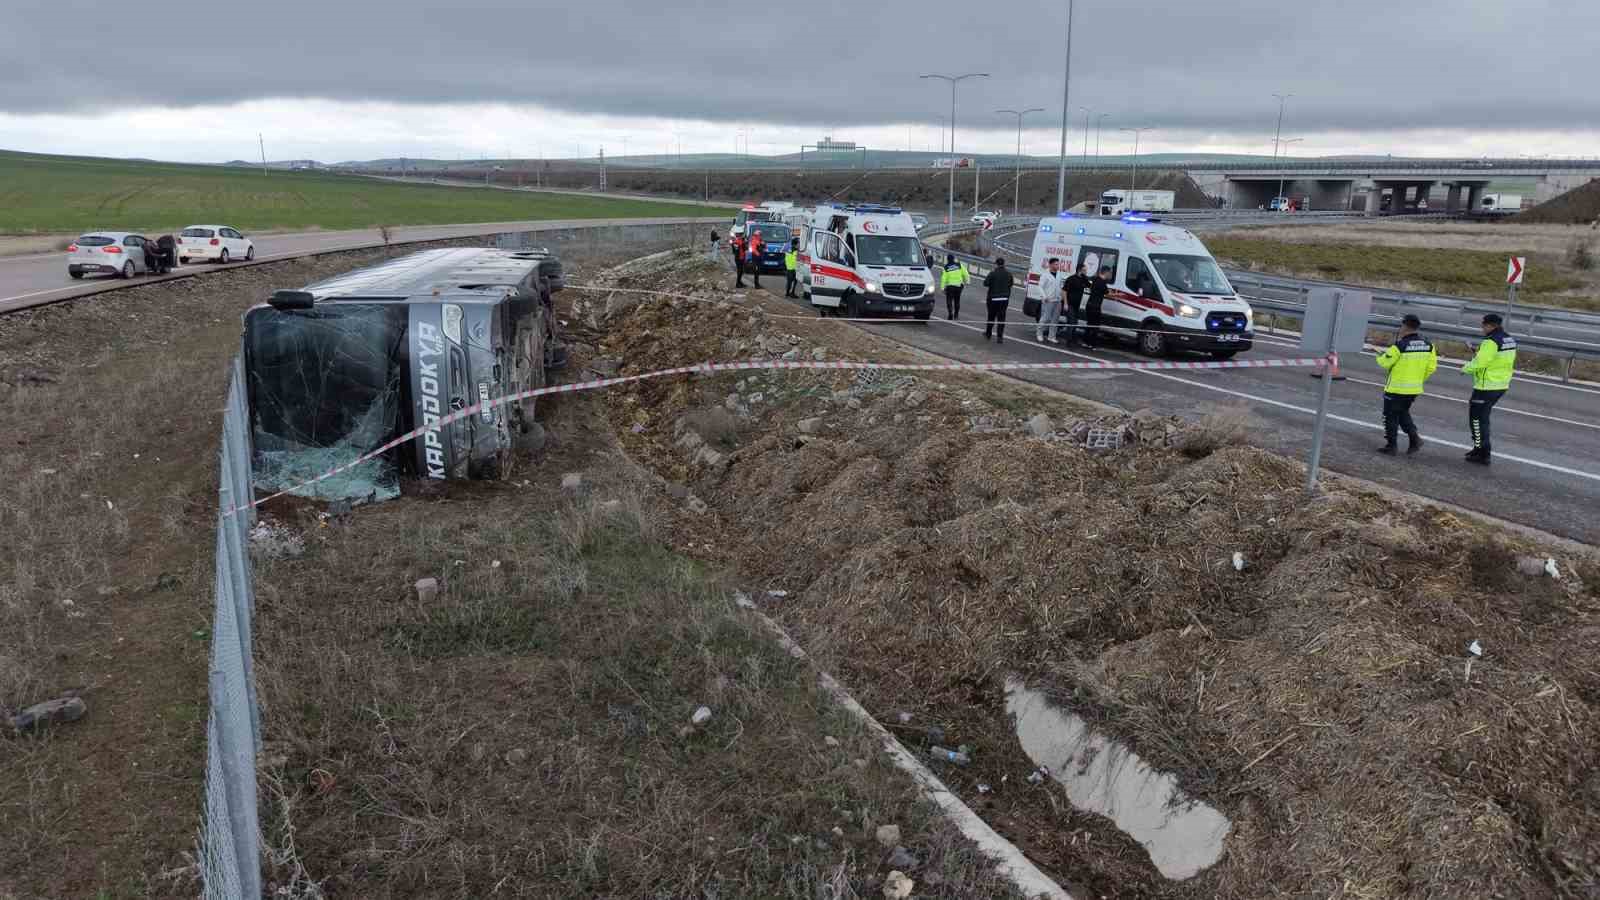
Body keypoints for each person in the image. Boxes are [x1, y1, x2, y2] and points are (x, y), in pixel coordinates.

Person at [1373, 314, 1437, 455]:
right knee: (1402, 413)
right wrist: (1418, 379)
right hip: (1414, 388)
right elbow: (1432, 367)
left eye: (1401, 326)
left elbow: (1385, 362)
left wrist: (1380, 356)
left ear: (1405, 326)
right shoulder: (1428, 345)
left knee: (1390, 416)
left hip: (1396, 388)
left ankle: (1392, 446)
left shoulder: (1400, 345)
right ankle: (1415, 439)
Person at [1461, 313, 1517, 465]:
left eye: (1483, 325)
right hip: (1500, 385)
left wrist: (1465, 368)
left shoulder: (1491, 342)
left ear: (1491, 325)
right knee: (1482, 419)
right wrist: (1476, 351)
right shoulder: (1508, 339)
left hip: (1486, 386)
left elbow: (1480, 362)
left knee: (1478, 420)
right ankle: (1479, 449)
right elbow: (1495, 358)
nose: (1482, 328)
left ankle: (1482, 453)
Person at [982, 256, 1014, 343]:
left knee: (991, 316)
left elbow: (985, 283)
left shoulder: (992, 273)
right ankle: (1000, 337)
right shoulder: (1009, 274)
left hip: (993, 298)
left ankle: (988, 333)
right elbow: (1011, 284)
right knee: (1001, 318)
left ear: (996, 264)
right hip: (1004, 299)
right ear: (1004, 264)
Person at [1036, 257, 1064, 343]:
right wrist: (1044, 297)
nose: (1058, 265)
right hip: (1048, 300)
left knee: (1055, 319)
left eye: (1058, 264)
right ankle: (1039, 334)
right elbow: (1040, 286)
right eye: (1056, 264)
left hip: (1057, 300)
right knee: (1045, 317)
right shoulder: (1045, 275)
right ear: (1051, 265)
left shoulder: (1059, 274)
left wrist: (1061, 296)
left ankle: (1051, 336)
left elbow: (1061, 286)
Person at [1063, 261, 1089, 346]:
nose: (1086, 271)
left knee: (1075, 322)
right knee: (1071, 322)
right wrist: (1065, 304)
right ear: (1080, 270)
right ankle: (1069, 341)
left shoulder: (1084, 279)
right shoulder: (1071, 279)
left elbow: (1090, 286)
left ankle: (1073, 339)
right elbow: (1064, 291)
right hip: (1069, 304)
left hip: (1077, 305)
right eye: (1085, 270)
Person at [1083, 265, 1111, 348]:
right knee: (1095, 326)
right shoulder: (1102, 282)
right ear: (1105, 272)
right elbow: (1108, 294)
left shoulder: (1095, 279)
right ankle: (1092, 344)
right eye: (1109, 272)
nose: (1110, 274)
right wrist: (1119, 295)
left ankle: (1086, 342)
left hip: (1089, 305)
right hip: (1095, 306)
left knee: (1089, 324)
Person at [940, 254, 968, 320]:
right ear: (954, 259)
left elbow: (943, 278)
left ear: (947, 260)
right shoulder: (959, 265)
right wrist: (967, 282)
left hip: (950, 286)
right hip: (959, 286)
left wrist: (942, 288)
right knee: (957, 301)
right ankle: (956, 315)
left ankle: (950, 314)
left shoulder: (946, 267)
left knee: (949, 300)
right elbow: (966, 274)